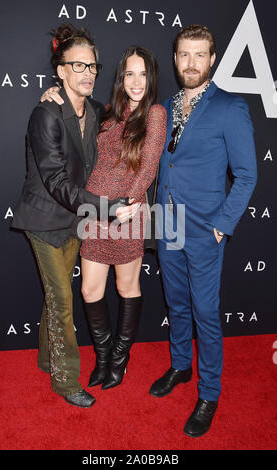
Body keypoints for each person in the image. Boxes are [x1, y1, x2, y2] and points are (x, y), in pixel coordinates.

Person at [11, 23, 131, 408]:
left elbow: (130, 119)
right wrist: (106, 208)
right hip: (45, 220)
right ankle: (65, 381)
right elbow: (56, 181)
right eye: (78, 66)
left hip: (75, 220)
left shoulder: (97, 111)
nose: (88, 74)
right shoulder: (44, 115)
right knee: (62, 300)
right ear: (60, 70)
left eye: (92, 67)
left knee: (55, 297)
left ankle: (47, 359)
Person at [149, 25, 257, 437]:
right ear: (175, 59)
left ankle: (209, 391)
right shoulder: (165, 106)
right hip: (168, 225)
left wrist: (222, 226)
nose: (190, 63)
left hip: (203, 229)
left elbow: (246, 175)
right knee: (175, 303)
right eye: (183, 55)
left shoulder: (230, 106)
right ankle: (180, 366)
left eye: (199, 55)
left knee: (206, 313)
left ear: (212, 59)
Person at [41, 45, 167, 390]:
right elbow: (75, 110)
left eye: (143, 74)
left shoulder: (155, 113)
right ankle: (103, 355)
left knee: (128, 287)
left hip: (128, 214)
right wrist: (54, 92)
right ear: (121, 77)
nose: (136, 81)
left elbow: (150, 163)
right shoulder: (108, 112)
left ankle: (119, 360)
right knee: (90, 289)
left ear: (151, 77)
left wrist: (131, 200)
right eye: (130, 73)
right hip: (94, 213)